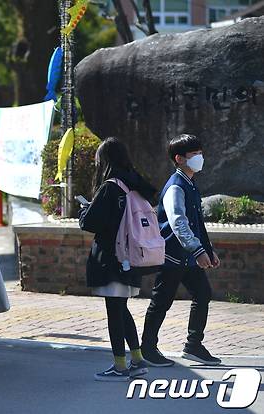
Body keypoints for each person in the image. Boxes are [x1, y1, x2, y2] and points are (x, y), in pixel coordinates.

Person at [79, 137, 157, 382]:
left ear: (105, 161)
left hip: (113, 258)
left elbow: (90, 222)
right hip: (133, 256)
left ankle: (120, 366)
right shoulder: (136, 184)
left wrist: (84, 210)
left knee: (115, 311)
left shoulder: (111, 186)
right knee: (122, 309)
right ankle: (137, 360)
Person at [140, 134, 221, 367]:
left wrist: (207, 249)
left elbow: (197, 221)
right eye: (194, 154)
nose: (200, 158)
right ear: (179, 158)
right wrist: (198, 251)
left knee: (203, 294)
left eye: (200, 153)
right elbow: (178, 222)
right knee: (161, 301)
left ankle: (193, 345)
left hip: (187, 256)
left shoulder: (190, 183)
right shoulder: (176, 186)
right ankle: (148, 348)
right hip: (173, 255)